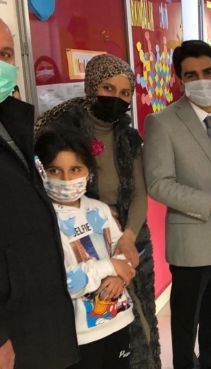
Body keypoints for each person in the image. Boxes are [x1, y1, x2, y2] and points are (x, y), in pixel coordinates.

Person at [34, 54, 161, 369]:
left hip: (120, 234)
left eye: (125, 92)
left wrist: (127, 238)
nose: (116, 98)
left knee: (137, 323)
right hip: (76, 237)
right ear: (92, 86)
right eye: (108, 88)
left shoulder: (128, 136)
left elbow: (139, 193)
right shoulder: (62, 128)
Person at [144, 40, 211, 369]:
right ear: (180, 80)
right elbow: (158, 183)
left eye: (208, 72)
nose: (202, 80)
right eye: (191, 75)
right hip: (192, 239)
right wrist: (210, 201)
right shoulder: (162, 122)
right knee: (186, 320)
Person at [0, 17, 79, 369]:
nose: (1, 64)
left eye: (6, 54)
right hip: (10, 327)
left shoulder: (12, 121)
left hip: (39, 312)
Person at [34, 129, 137, 369]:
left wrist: (119, 275)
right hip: (78, 336)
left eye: (75, 169)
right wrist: (109, 266)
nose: (66, 179)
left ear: (88, 172)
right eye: (54, 170)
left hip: (119, 320)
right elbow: (61, 283)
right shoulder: (42, 221)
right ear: (41, 171)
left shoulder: (100, 209)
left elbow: (125, 253)